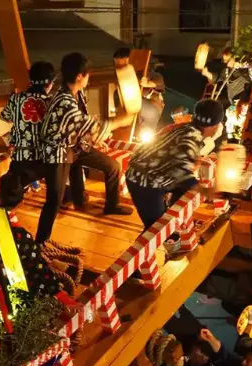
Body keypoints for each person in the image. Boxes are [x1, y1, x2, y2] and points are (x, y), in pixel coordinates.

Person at [38, 53, 134, 241]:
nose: (89, 78)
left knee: (112, 167)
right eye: (87, 74)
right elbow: (85, 123)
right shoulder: (63, 101)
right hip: (57, 152)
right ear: (80, 76)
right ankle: (41, 241)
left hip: (75, 147)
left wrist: (93, 138)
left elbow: (82, 125)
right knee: (53, 200)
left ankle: (110, 204)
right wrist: (124, 119)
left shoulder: (76, 94)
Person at [125, 99, 224, 229]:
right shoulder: (192, 138)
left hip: (142, 173)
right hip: (144, 181)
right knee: (156, 230)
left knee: (183, 190)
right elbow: (181, 172)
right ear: (215, 126)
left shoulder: (183, 128)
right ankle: (166, 229)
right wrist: (205, 191)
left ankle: (174, 218)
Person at [0, 61, 57, 211]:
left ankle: (8, 216)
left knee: (10, 192)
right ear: (49, 83)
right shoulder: (52, 102)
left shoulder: (16, 99)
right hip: (44, 160)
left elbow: (5, 116)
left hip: (20, 158)